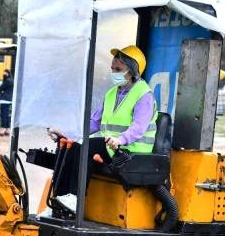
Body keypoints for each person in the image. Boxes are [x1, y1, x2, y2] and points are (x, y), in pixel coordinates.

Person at [48, 45, 157, 212]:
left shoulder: (144, 95)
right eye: (113, 69)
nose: (114, 73)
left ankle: (75, 199)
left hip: (131, 150)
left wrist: (120, 139)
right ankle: (59, 202)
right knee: (71, 147)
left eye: (119, 69)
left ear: (133, 70)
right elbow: (94, 122)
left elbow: (138, 127)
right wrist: (67, 133)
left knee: (86, 147)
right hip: (112, 147)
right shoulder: (113, 93)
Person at [0, 69, 14, 136]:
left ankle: (3, 129)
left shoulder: (7, 80)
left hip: (4, 99)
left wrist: (1, 91)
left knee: (4, 114)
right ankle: (8, 129)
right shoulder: (12, 80)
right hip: (10, 99)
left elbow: (0, 88)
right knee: (7, 115)